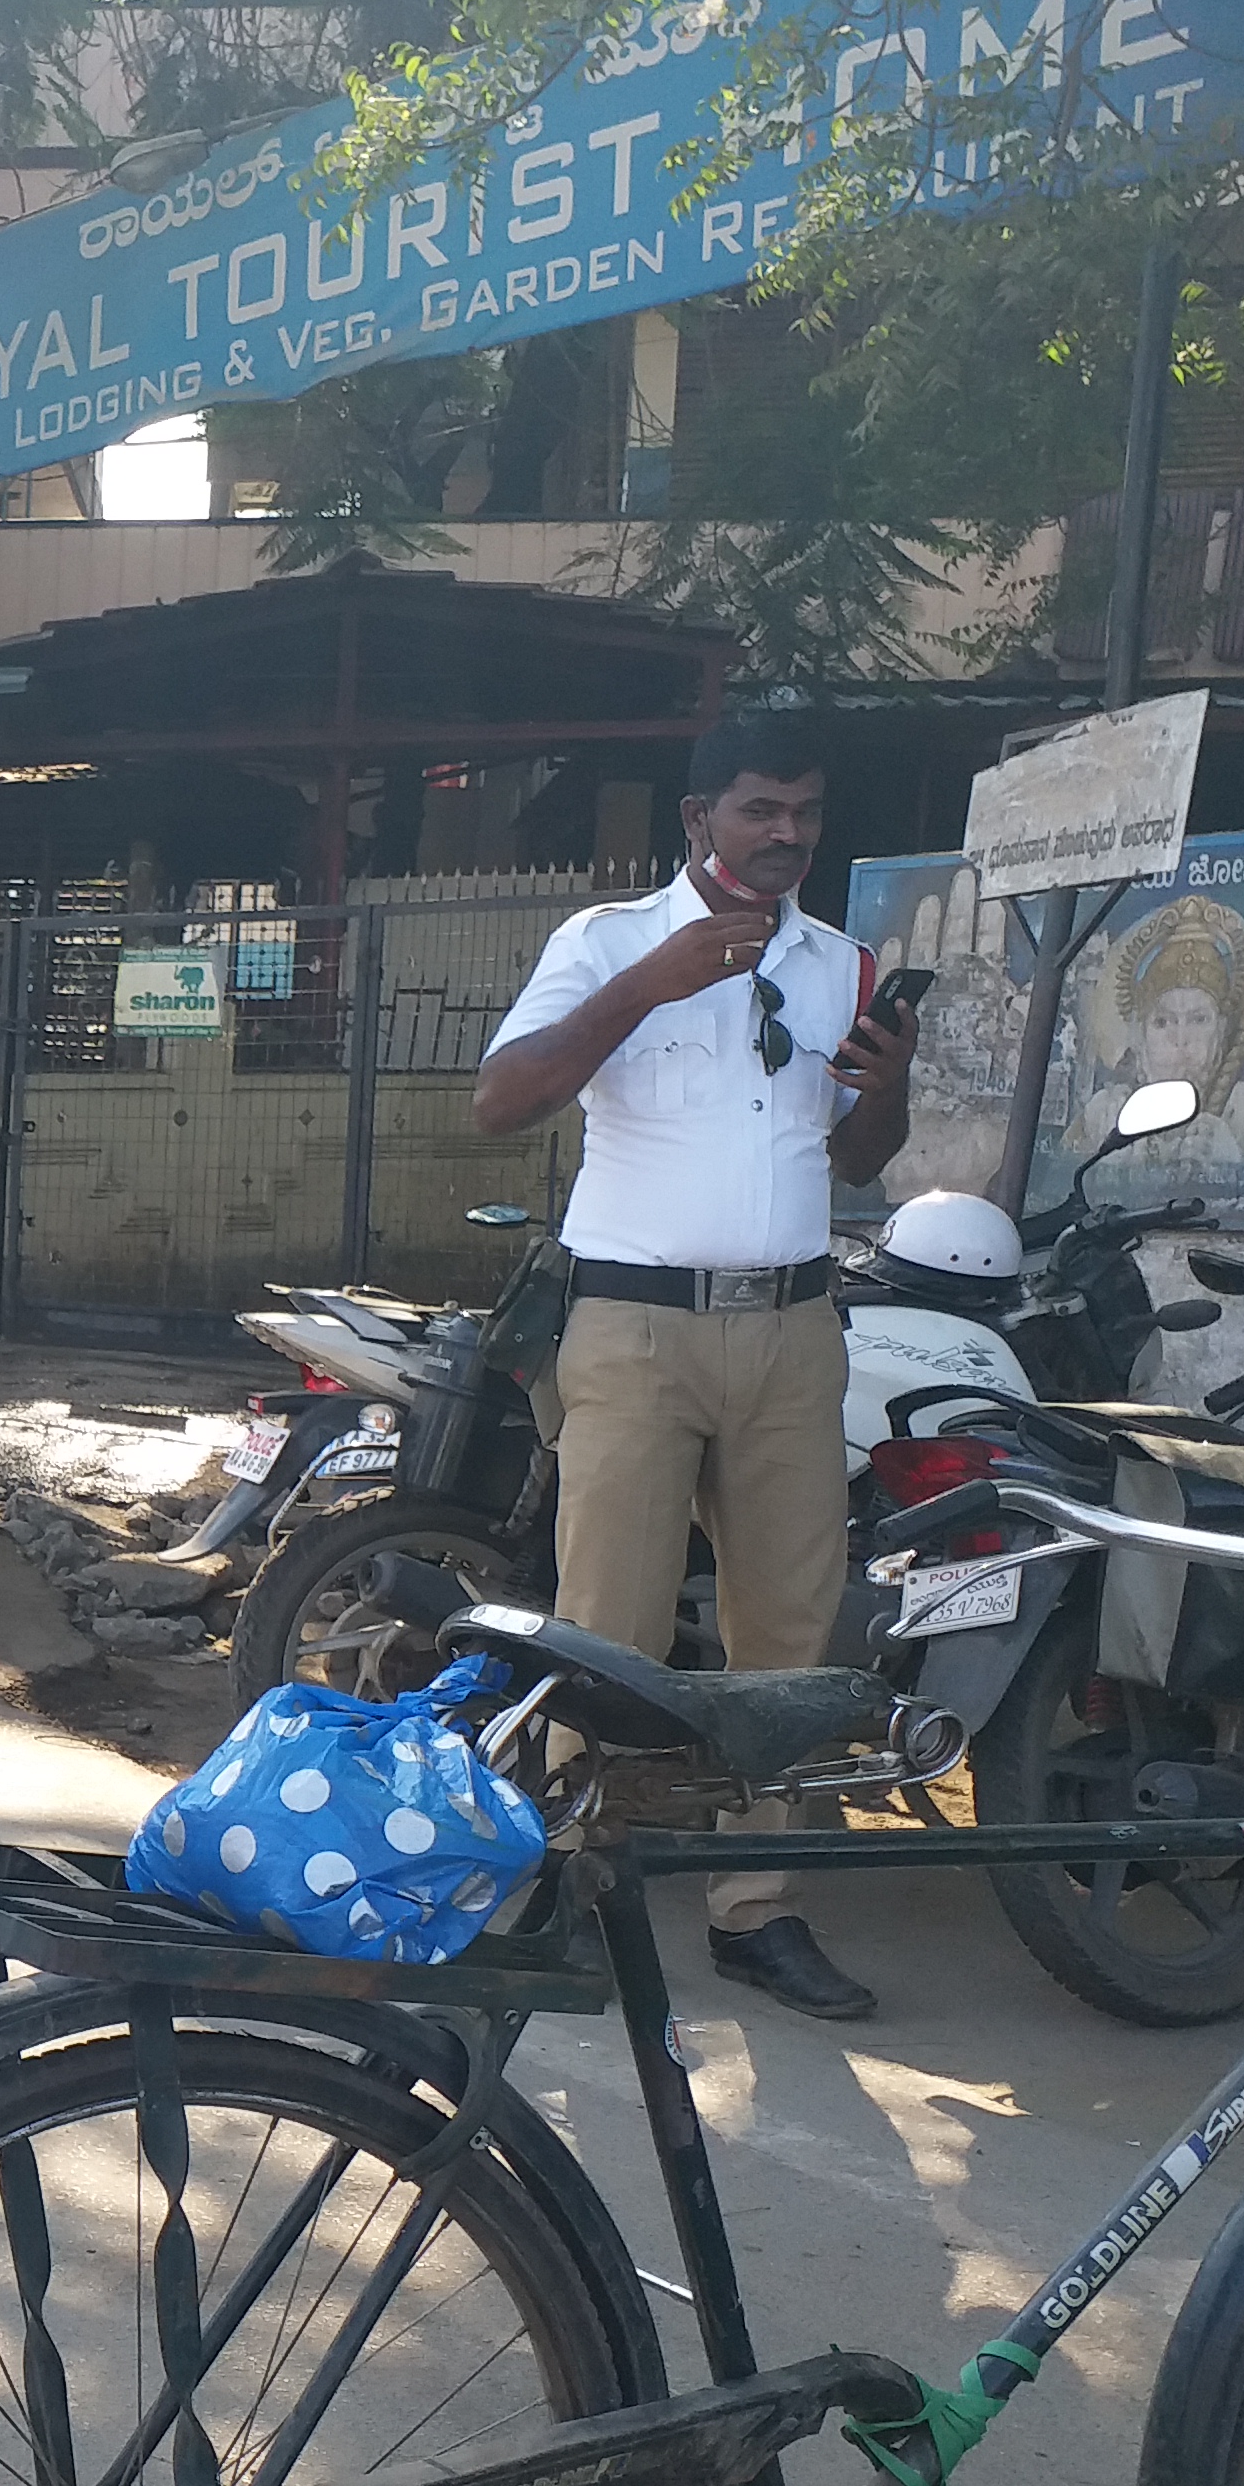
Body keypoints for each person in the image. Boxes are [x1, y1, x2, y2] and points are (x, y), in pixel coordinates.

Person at [474, 718, 917, 2022]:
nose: (787, 835)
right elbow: (501, 1101)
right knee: (605, 1625)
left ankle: (754, 1908)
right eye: (762, 810)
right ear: (698, 819)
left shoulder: (841, 964)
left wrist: (887, 1091)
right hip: (634, 1327)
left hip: (790, 1331)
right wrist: (648, 986)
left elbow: (856, 1161)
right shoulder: (605, 943)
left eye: (806, 813)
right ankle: (572, 1888)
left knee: (783, 1635)